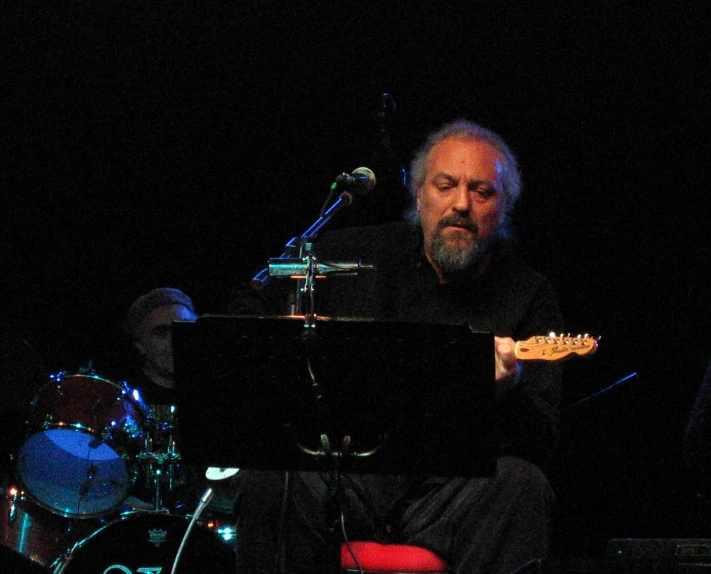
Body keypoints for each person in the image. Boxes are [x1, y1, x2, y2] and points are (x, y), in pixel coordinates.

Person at [230, 119, 564, 573]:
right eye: (445, 186)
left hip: (449, 495)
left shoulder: (528, 293)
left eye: (482, 191)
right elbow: (251, 310)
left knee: (522, 484)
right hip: (348, 484)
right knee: (273, 476)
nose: (461, 204)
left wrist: (505, 395)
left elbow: (543, 437)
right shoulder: (351, 255)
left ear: (504, 207)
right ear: (420, 195)